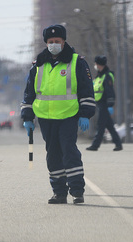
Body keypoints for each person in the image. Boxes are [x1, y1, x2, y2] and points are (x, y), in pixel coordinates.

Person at [21, 24, 96, 204]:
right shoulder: (38, 64)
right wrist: (27, 117)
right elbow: (29, 92)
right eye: (50, 41)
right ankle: (59, 192)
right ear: (46, 43)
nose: (53, 44)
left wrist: (85, 113)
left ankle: (77, 190)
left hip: (68, 115)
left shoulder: (77, 62)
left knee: (69, 151)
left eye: (57, 41)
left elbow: (86, 89)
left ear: (64, 42)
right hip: (46, 118)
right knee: (53, 154)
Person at [86, 55, 123, 151]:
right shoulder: (99, 76)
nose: (95, 65)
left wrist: (110, 105)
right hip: (99, 104)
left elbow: (109, 91)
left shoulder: (107, 76)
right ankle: (118, 144)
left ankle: (95, 145)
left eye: (96, 63)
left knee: (101, 125)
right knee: (109, 126)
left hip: (104, 104)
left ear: (99, 65)